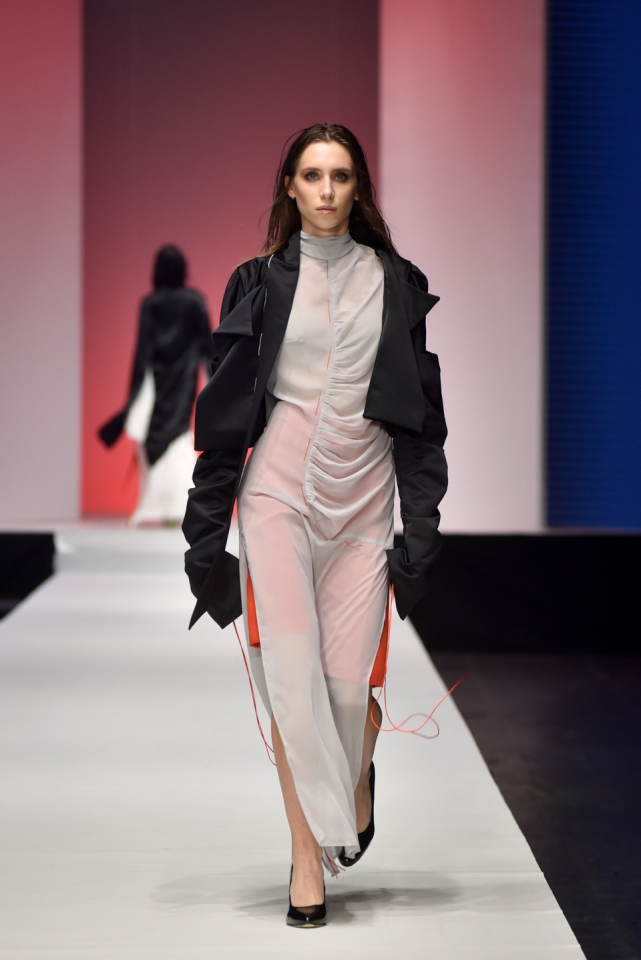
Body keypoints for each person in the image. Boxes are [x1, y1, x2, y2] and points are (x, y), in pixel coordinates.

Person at [182, 124, 448, 927]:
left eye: (339, 176)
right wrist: (205, 532)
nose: (326, 190)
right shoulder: (257, 282)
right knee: (291, 682)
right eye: (311, 175)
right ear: (289, 187)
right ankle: (306, 858)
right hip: (279, 495)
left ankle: (356, 775)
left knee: (341, 693)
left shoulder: (396, 283)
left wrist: (422, 523)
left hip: (365, 499)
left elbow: (421, 417)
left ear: (357, 187)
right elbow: (226, 416)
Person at [99, 245, 213, 525]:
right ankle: (176, 513)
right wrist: (217, 387)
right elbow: (208, 349)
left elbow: (142, 353)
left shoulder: (150, 304)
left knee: (157, 438)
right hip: (183, 381)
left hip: (156, 383)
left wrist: (133, 397)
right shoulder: (194, 302)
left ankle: (163, 511)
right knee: (177, 437)